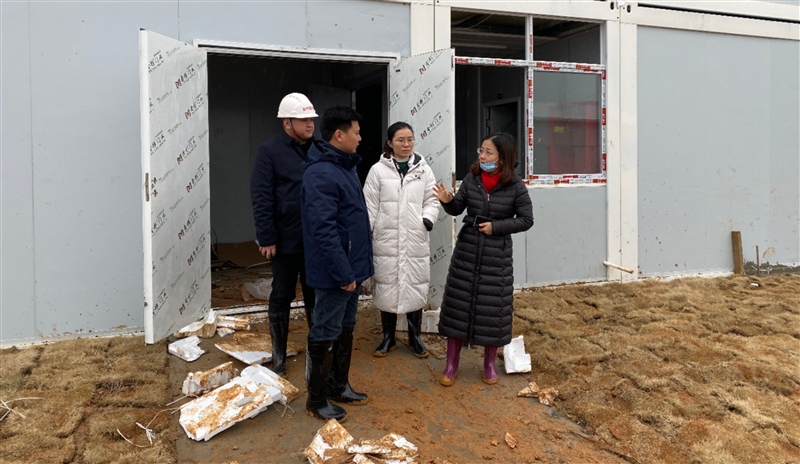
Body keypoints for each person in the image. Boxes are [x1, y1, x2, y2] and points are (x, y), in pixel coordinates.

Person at [432, 132, 533, 387]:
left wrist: (496, 227)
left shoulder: (515, 186)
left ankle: (489, 364)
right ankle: (451, 364)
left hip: (496, 256)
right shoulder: (472, 179)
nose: (482, 156)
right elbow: (457, 208)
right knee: (458, 306)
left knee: (492, 311)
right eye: (481, 150)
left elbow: (526, 219)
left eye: (489, 152)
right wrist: (447, 201)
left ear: (503, 158)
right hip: (467, 251)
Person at [302, 106, 374, 421]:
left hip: (351, 269)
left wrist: (357, 269)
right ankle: (317, 399)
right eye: (356, 133)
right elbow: (323, 230)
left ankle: (338, 385)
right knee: (325, 330)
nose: (360, 138)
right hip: (335, 273)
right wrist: (344, 273)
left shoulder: (345, 166)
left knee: (345, 326)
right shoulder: (321, 173)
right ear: (339, 135)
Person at [250, 92, 318, 377]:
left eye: (311, 119)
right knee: (282, 294)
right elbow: (261, 195)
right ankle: (278, 355)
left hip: (315, 238)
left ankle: (317, 352)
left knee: (315, 293)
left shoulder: (321, 149)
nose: (310, 124)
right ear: (287, 123)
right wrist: (266, 237)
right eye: (303, 120)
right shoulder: (269, 151)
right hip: (285, 240)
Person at [363, 122, 439, 358]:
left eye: (410, 139)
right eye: (400, 140)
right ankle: (388, 338)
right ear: (390, 143)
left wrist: (427, 219)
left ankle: (415, 337)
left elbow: (432, 200)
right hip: (386, 238)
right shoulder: (378, 170)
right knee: (386, 286)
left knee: (414, 285)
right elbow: (369, 205)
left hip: (415, 237)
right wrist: (366, 233)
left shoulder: (423, 170)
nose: (406, 144)